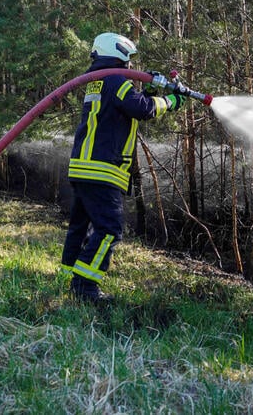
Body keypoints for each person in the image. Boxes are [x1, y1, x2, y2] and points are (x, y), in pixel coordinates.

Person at [62, 32, 186, 304]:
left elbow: (123, 108)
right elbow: (139, 108)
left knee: (80, 226)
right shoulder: (116, 79)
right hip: (102, 170)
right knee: (109, 229)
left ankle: (71, 275)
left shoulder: (97, 81)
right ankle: (85, 288)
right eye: (129, 60)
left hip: (83, 167)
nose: (131, 66)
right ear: (119, 56)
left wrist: (150, 90)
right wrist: (170, 102)